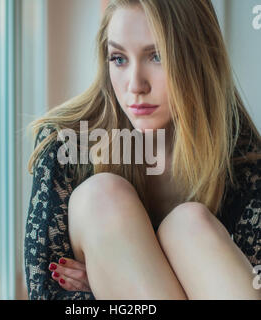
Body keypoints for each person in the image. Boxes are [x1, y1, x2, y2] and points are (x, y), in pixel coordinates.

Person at [24, 0, 261, 300]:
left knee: (189, 226)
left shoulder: (243, 157)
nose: (135, 85)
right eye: (119, 59)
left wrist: (105, 284)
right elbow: (44, 293)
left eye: (157, 56)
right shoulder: (67, 141)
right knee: (102, 196)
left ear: (200, 56)